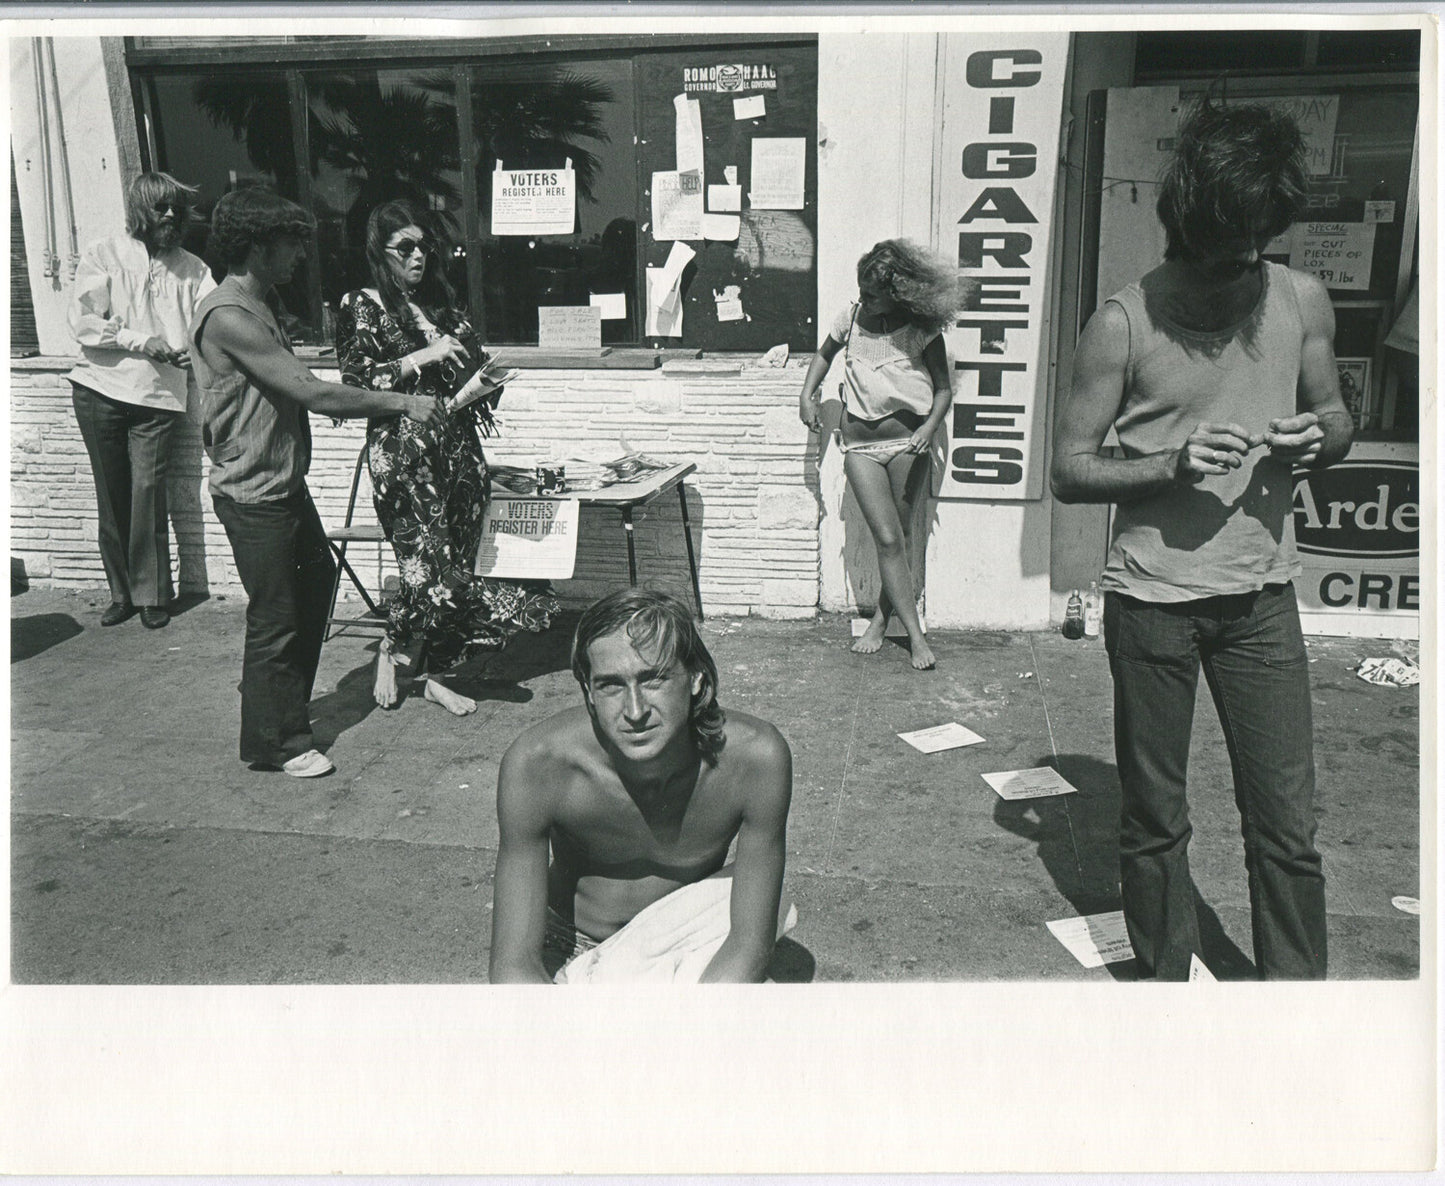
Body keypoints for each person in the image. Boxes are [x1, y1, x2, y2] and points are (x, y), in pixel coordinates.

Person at [1050, 98, 1353, 980]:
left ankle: (1294, 1004)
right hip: (1151, 604)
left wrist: (1316, 438)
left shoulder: (1300, 297)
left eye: (1260, 241)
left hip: (1261, 600)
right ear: (1186, 224)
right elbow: (1069, 468)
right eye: (1231, 249)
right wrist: (1168, 465)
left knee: (1286, 828)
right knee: (1153, 817)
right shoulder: (1121, 322)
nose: (1246, 267)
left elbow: (1334, 421)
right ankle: (1165, 988)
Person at [189, 187, 440, 779]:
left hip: (281, 485)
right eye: (290, 242)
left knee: (315, 584)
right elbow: (310, 389)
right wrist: (402, 400)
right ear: (255, 246)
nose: (300, 254)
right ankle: (275, 742)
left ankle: (278, 708)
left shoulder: (262, 300)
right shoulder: (229, 314)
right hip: (252, 493)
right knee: (276, 615)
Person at [489, 589, 794, 983]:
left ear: (697, 678)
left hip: (686, 939)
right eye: (611, 686)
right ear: (588, 692)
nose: (634, 711)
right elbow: (513, 964)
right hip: (566, 943)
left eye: (654, 679)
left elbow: (748, 944)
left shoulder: (755, 760)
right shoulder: (539, 765)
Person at [335, 199, 558, 716]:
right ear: (380, 251)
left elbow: (466, 384)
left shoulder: (438, 309)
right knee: (428, 570)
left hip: (458, 454)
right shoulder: (360, 305)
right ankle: (391, 648)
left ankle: (434, 673)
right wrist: (423, 356)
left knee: (458, 561)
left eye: (424, 248)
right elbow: (356, 383)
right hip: (405, 458)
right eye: (405, 248)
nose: (418, 257)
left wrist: (484, 380)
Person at [798, 239, 963, 670]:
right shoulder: (849, 319)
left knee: (900, 540)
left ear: (900, 293)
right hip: (860, 448)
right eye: (862, 290)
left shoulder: (922, 330)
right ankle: (914, 636)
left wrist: (929, 428)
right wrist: (806, 394)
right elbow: (823, 355)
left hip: (909, 446)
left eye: (872, 293)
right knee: (889, 539)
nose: (863, 299)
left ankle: (880, 621)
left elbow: (944, 390)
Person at [67, 171, 216, 629]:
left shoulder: (194, 268)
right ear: (138, 210)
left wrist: (199, 354)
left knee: (148, 495)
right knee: (111, 496)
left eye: (175, 207)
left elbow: (210, 322)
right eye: (159, 207)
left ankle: (152, 596)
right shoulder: (103, 253)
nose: (170, 214)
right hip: (101, 389)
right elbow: (83, 323)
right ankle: (121, 594)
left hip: (158, 397)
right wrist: (140, 340)